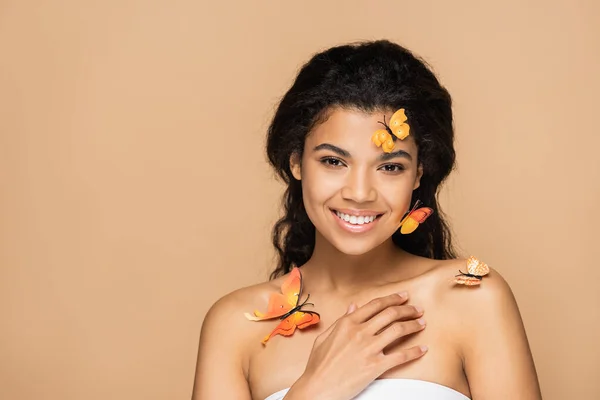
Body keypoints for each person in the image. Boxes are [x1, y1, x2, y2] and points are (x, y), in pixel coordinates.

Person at [192, 40, 542, 400]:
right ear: (296, 161)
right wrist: (315, 390)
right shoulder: (235, 326)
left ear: (418, 174)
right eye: (333, 161)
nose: (360, 193)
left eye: (390, 167)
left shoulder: (473, 297)